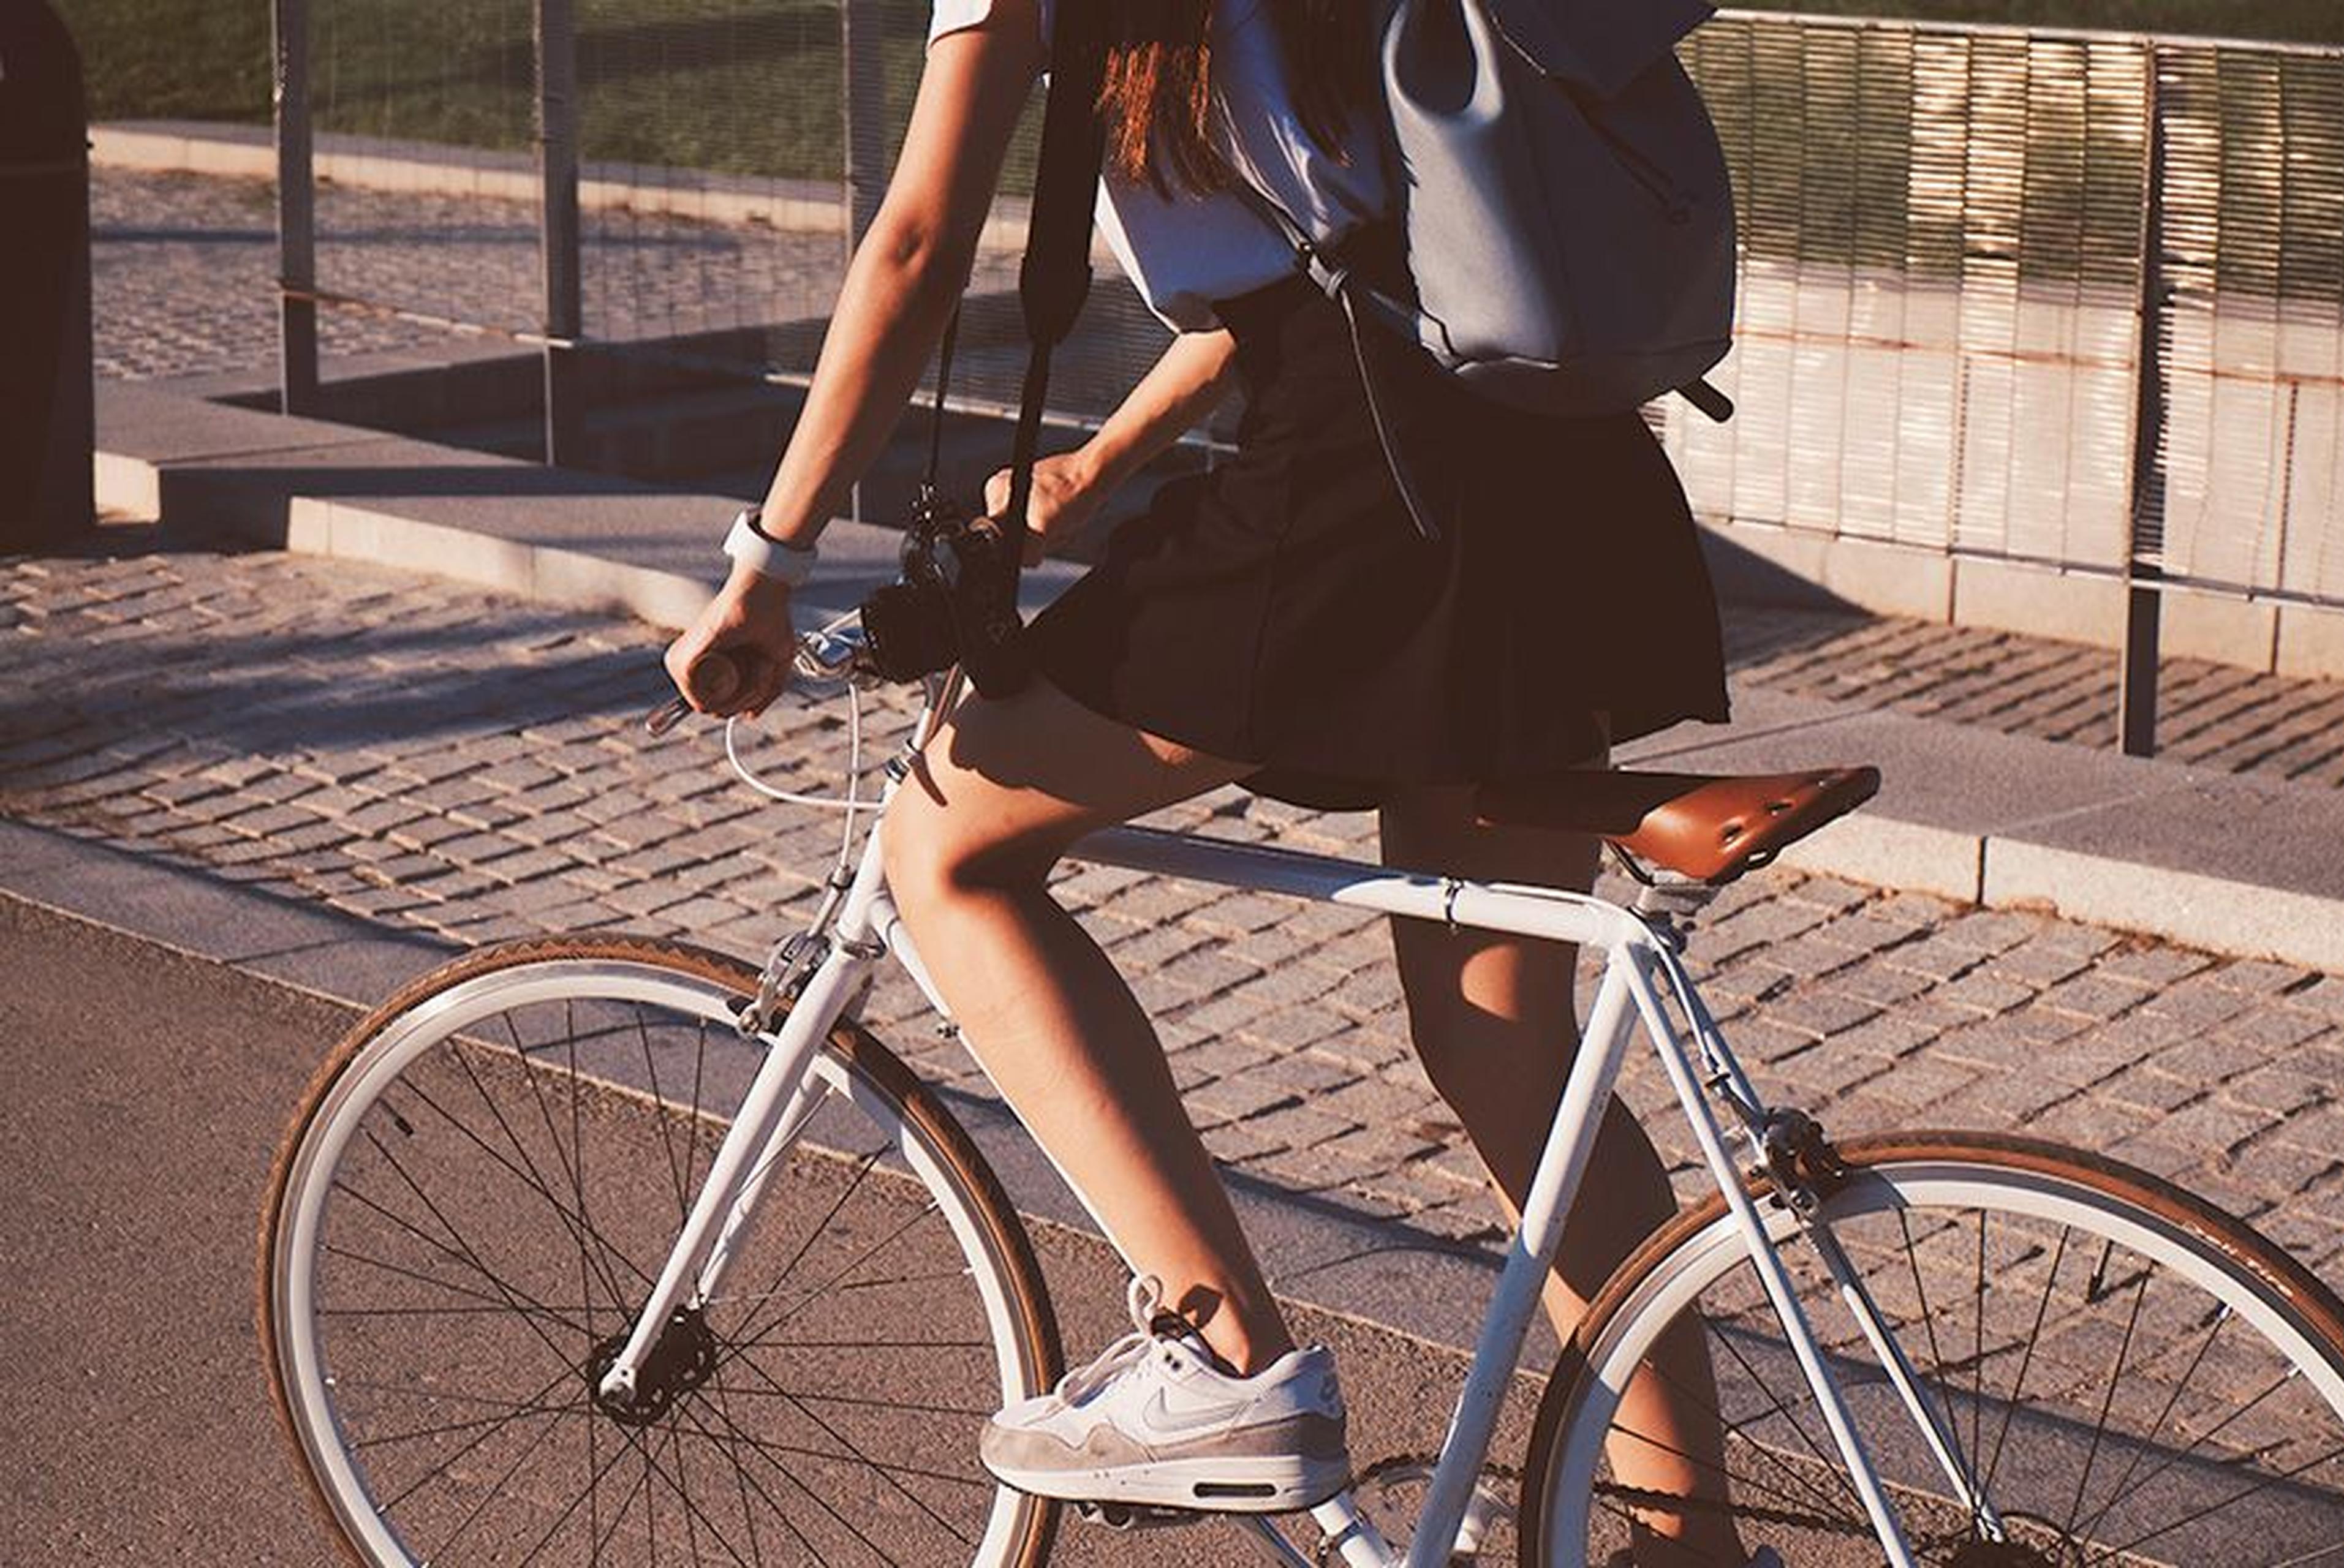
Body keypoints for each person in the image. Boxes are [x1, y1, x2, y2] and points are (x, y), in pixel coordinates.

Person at [665, 4, 1762, 1562]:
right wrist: (1090, 473)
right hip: (1549, 456)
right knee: (1503, 1038)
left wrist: (763, 563)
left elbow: (914, 241)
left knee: (946, 845)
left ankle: (1226, 1355)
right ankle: (1681, 1543)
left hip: (1361, 486)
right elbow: (1337, 256)